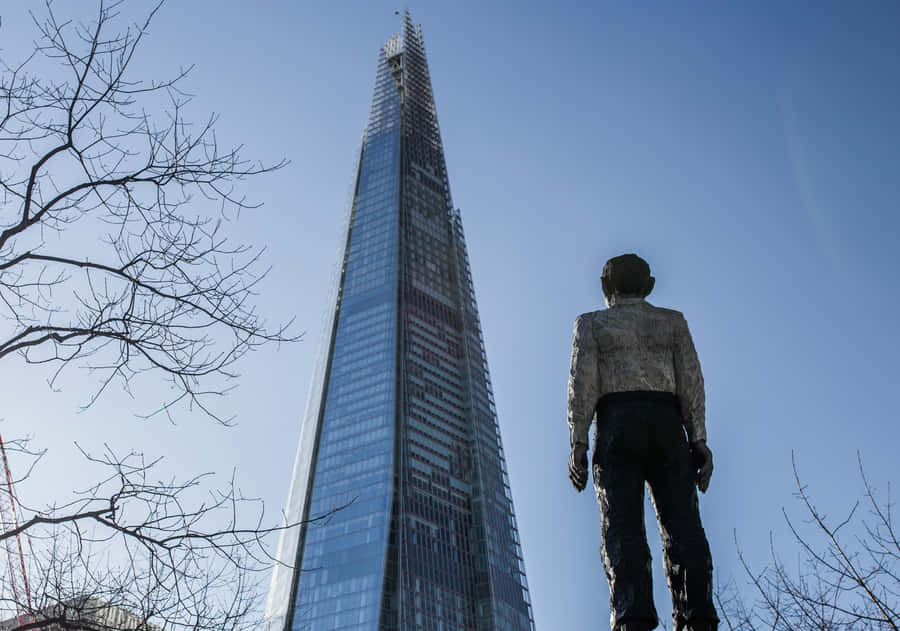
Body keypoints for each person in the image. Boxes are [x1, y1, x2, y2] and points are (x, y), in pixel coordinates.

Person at [567, 253, 717, 631]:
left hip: (617, 423)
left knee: (621, 527)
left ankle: (632, 617)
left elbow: (582, 383)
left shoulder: (592, 324)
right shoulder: (672, 323)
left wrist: (579, 442)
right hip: (668, 423)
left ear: (606, 288)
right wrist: (698, 438)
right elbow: (692, 382)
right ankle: (696, 616)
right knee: (683, 526)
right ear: (648, 286)